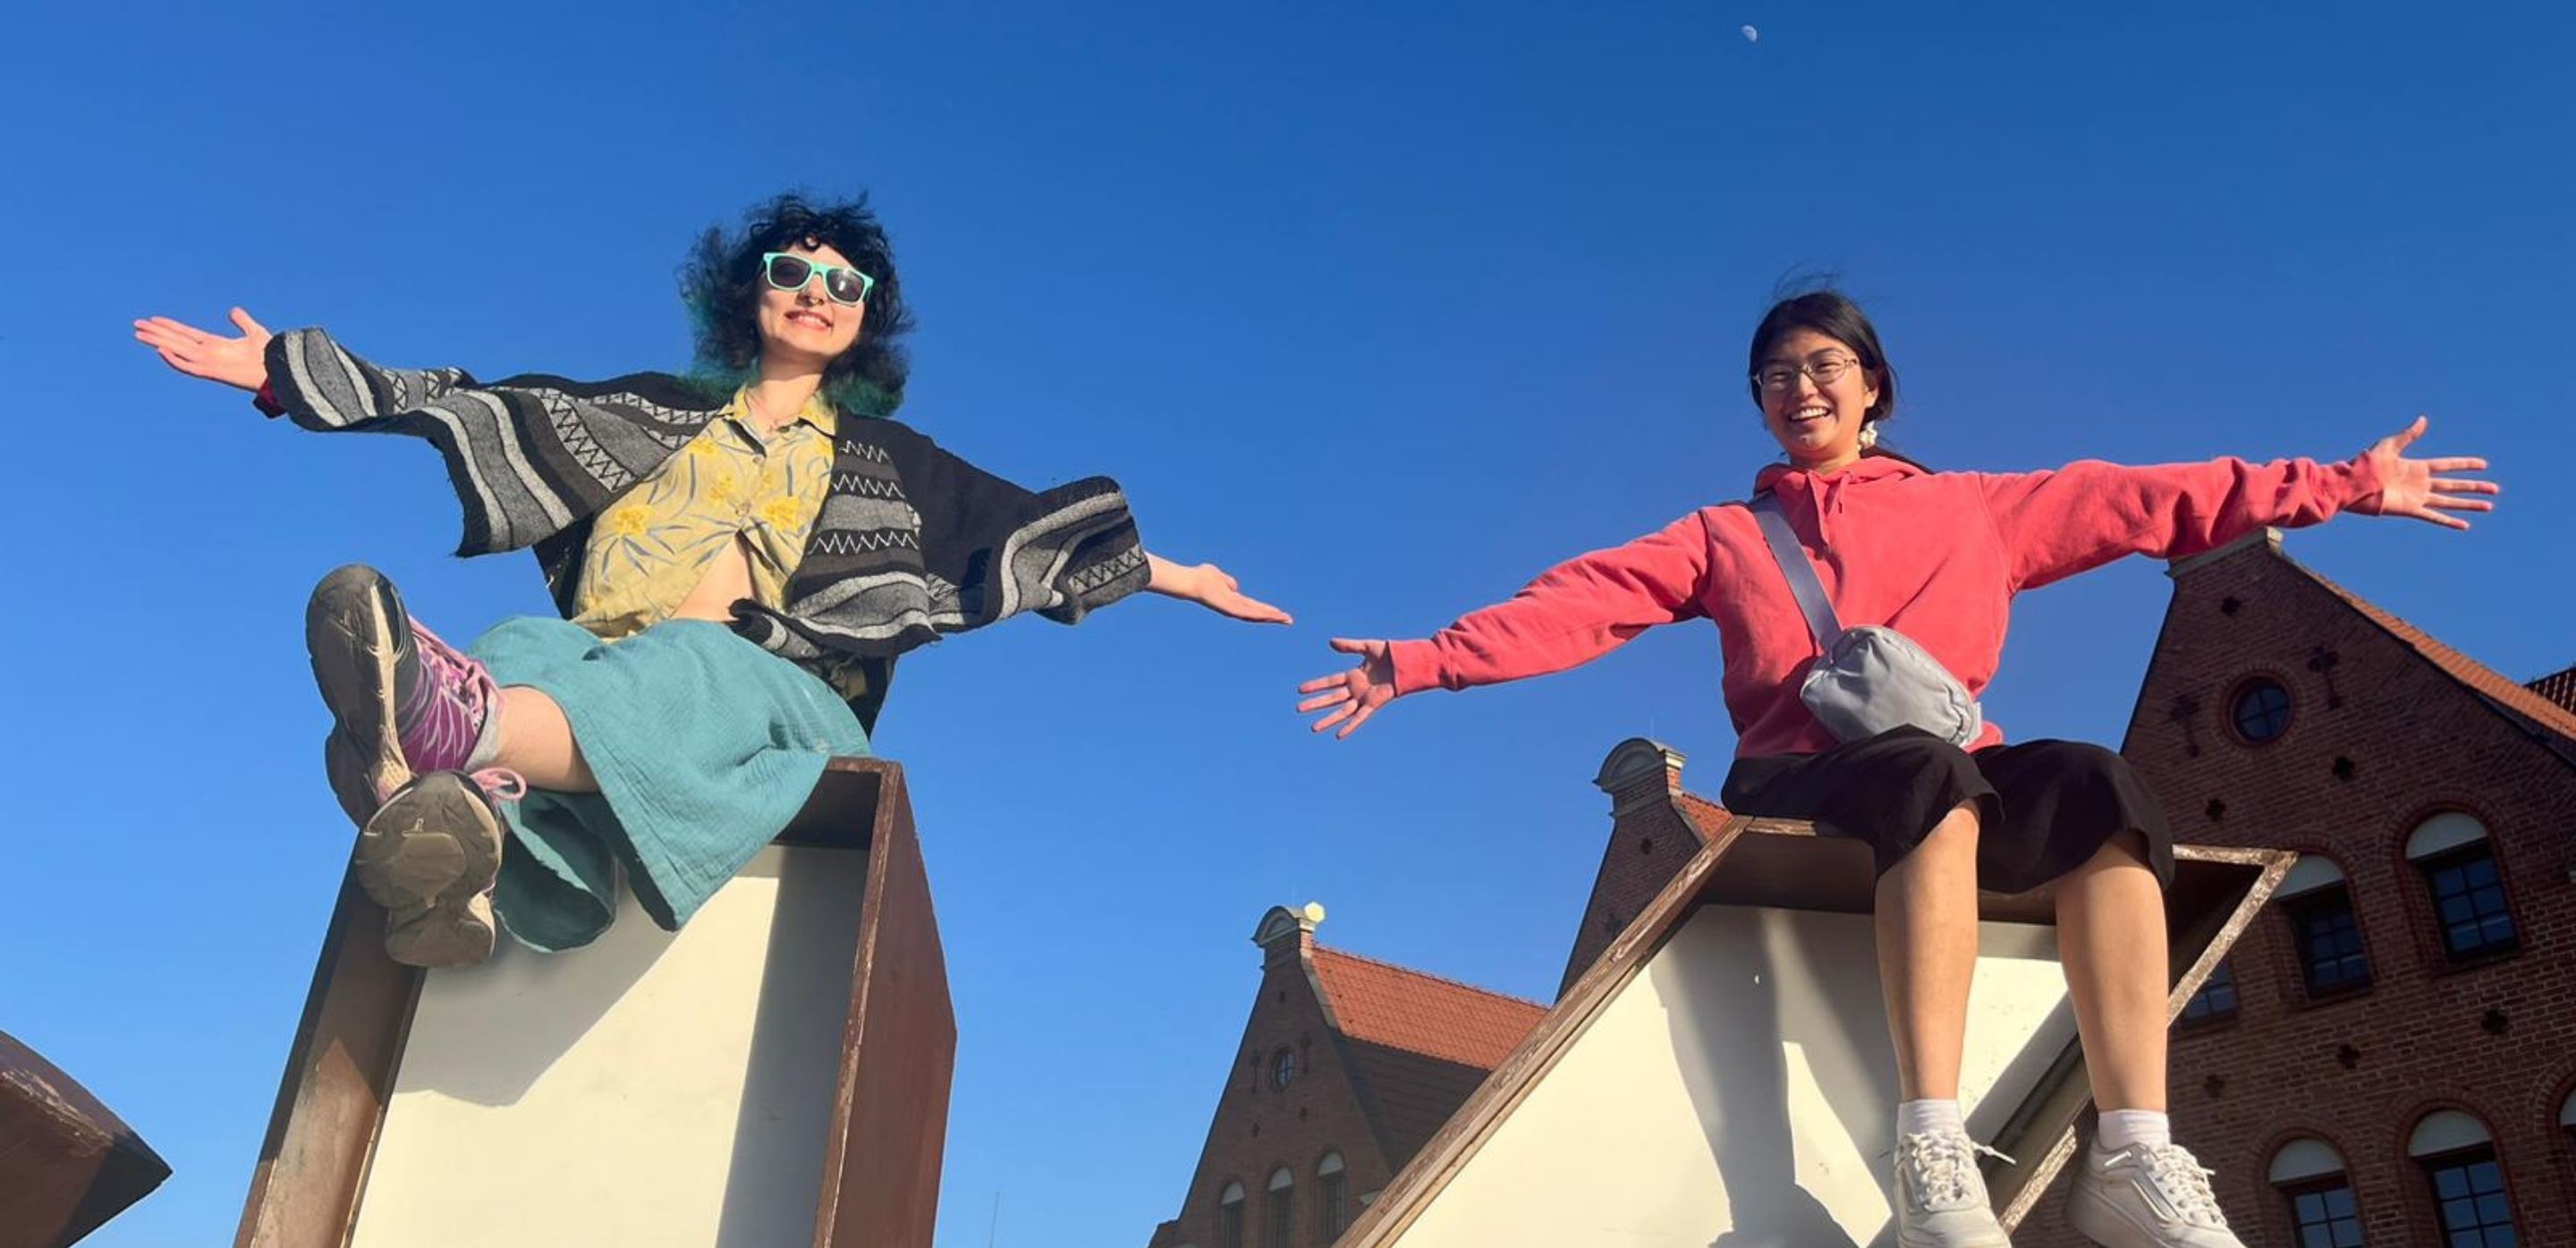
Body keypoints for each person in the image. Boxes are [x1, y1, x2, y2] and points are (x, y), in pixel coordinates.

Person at [1294, 291, 2495, 1248]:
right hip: (1800, 772)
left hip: (1947, 771)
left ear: (1873, 386)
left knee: (2099, 786)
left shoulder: (1978, 508)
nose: (1800, 385)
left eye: (1824, 364)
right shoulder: (1722, 535)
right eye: (1776, 375)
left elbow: (2149, 500)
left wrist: (2342, 485)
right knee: (1928, 777)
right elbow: (1582, 602)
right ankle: (1931, 1149)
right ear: (1760, 406)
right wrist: (1421, 661)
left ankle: (2131, 1148)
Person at [139, 192, 1288, 969]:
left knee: (677, 662)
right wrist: (291, 374)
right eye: (794, 271)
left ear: (866, 321)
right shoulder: (651, 411)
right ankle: (484, 867)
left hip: (781, 698)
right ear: (751, 292)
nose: (817, 291)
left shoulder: (899, 465)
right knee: (527, 647)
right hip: (605, 674)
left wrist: (1185, 578)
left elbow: (1027, 533)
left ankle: (438, 744)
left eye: (846, 285)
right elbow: (479, 402)